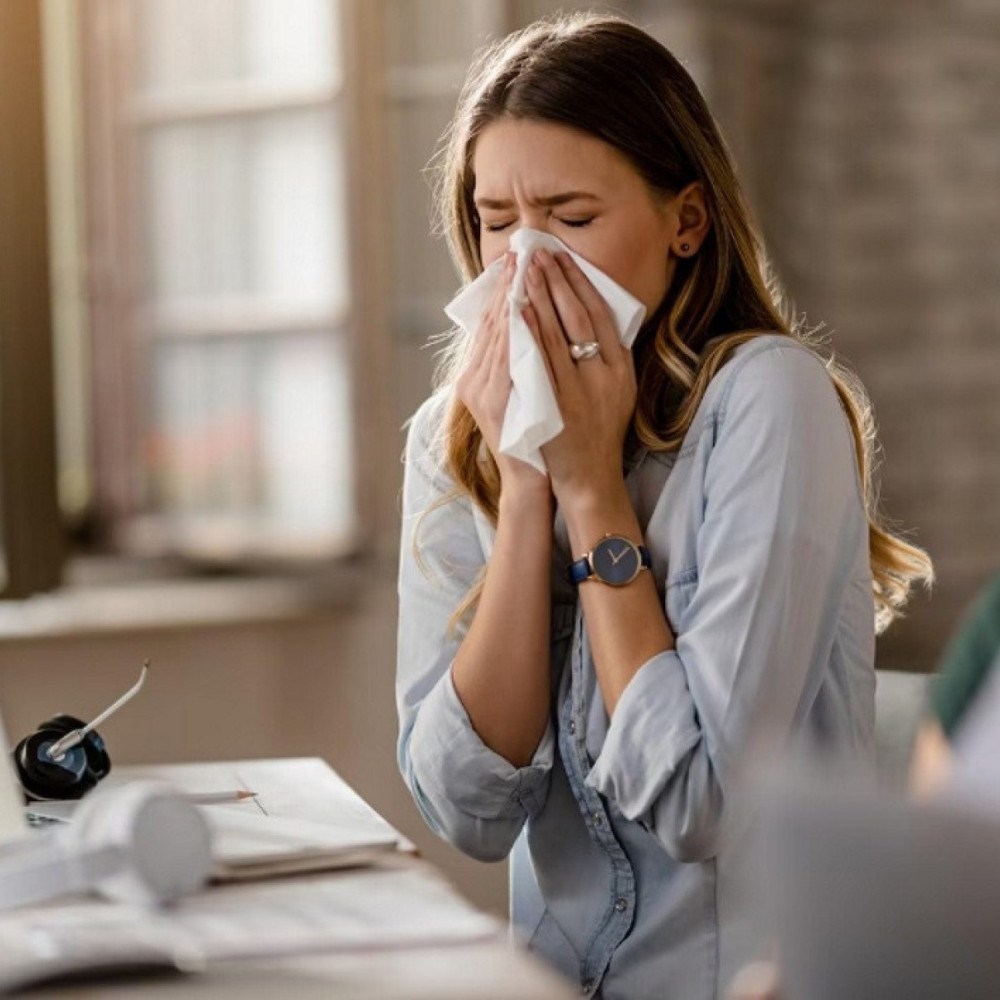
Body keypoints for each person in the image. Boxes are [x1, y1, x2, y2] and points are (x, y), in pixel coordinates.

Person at [395, 13, 933, 1000]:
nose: (526, 264)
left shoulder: (769, 402)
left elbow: (699, 802)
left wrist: (593, 488)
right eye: (497, 219)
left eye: (571, 216)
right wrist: (526, 486)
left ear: (685, 221)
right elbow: (464, 812)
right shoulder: (456, 432)